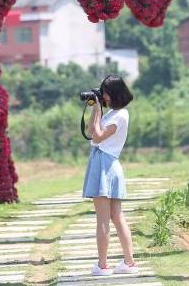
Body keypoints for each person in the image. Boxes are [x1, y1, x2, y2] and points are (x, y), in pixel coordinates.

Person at [82, 74, 138, 276]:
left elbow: (97, 137)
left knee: (104, 219)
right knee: (115, 216)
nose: (102, 95)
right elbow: (91, 130)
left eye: (104, 92)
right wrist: (96, 109)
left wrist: (97, 108)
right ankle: (129, 263)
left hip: (104, 165)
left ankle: (103, 266)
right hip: (107, 163)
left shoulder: (121, 115)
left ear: (112, 93)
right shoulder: (112, 114)